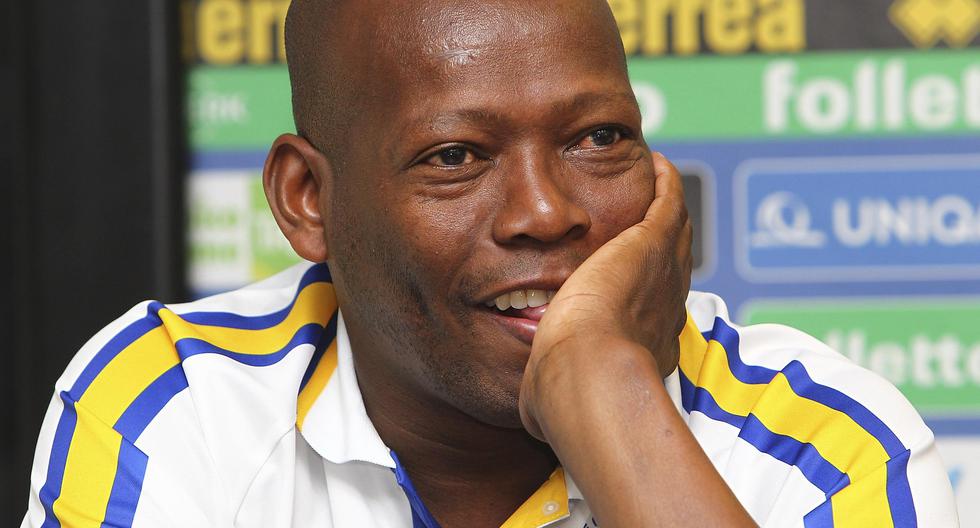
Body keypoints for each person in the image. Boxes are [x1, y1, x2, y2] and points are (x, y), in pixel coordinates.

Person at [24, 0, 958, 526]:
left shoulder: (826, 447)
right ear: (310, 200)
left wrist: (601, 385)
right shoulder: (174, 409)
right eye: (455, 157)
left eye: (598, 137)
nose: (547, 213)